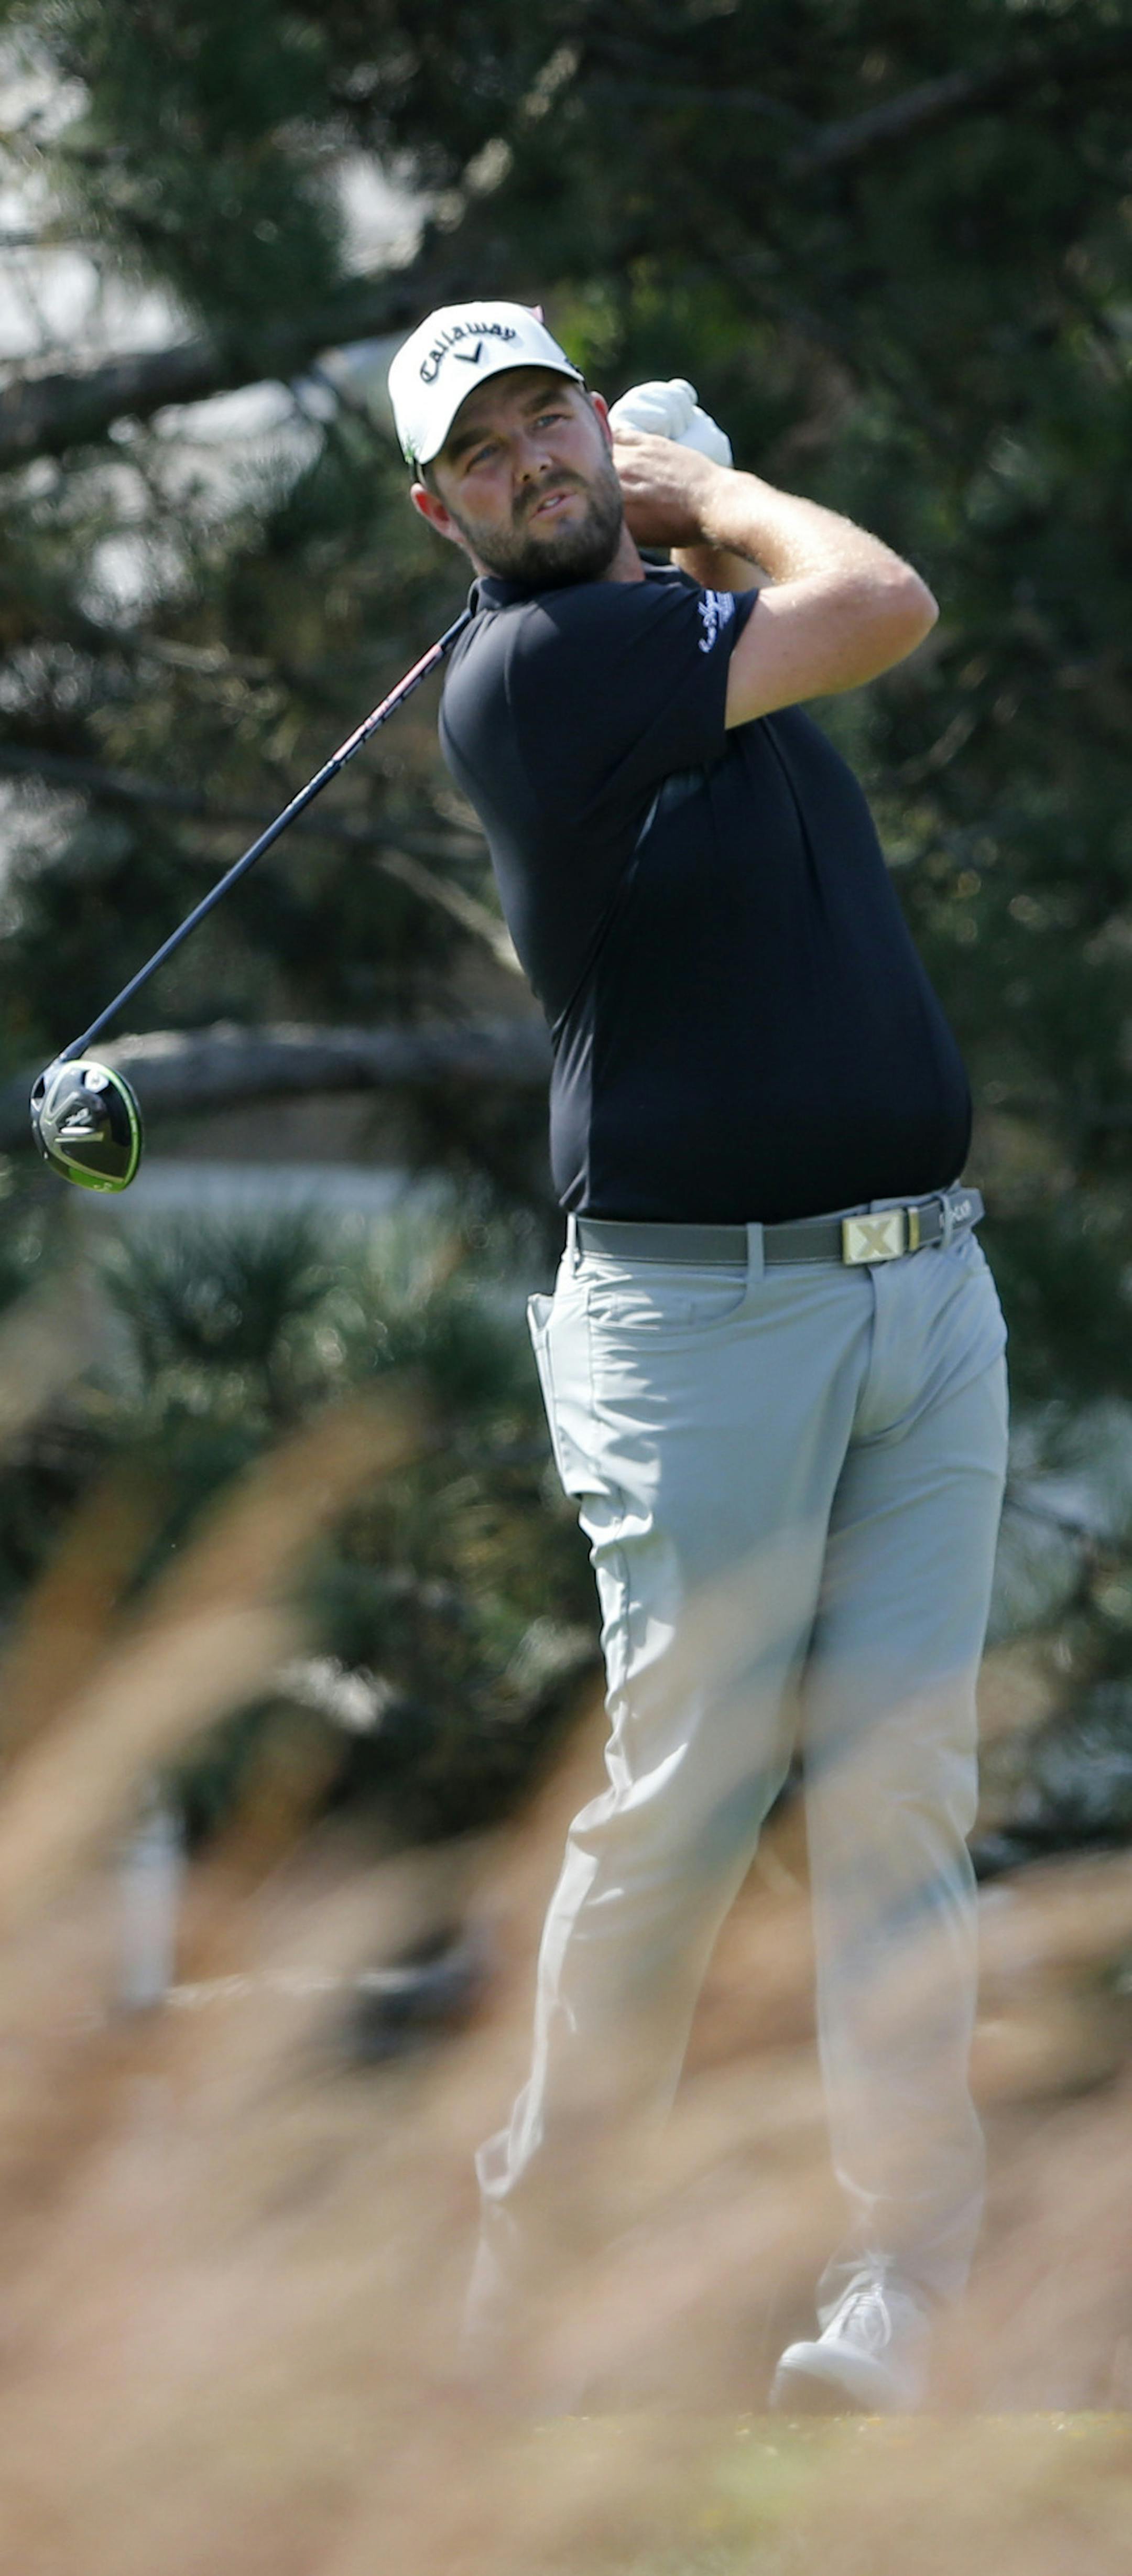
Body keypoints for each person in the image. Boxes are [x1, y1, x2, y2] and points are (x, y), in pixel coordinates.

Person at [387, 300, 1008, 2413]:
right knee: (684, 1794)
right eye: (489, 452)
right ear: (442, 512)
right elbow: (883, 594)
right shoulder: (534, 674)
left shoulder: (675, 653)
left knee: (902, 1784)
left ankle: (901, 2298)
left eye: (551, 415)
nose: (535, 460)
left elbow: (791, 626)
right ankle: (534, 2288)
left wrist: (681, 533)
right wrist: (700, 492)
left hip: (924, 1291)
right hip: (694, 1318)